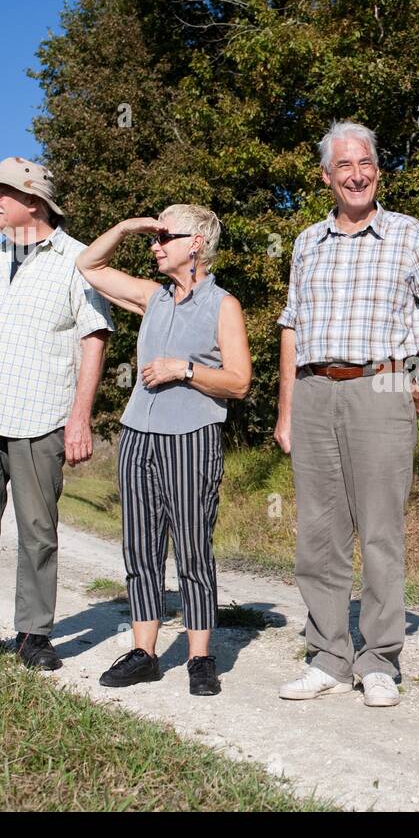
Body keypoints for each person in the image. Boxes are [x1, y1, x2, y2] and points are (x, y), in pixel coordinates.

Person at [274, 121, 419, 706]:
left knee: (381, 531)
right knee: (318, 534)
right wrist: (286, 410)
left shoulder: (407, 235)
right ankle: (328, 656)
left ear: (377, 171)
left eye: (365, 164)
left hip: (381, 389)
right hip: (313, 392)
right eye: (344, 167)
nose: (356, 175)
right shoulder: (306, 242)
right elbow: (291, 328)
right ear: (326, 178)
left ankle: (380, 659)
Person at [74, 204, 251, 696]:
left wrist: (186, 371)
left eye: (164, 236)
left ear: (196, 243)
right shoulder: (153, 298)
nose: (155, 245)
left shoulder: (223, 305)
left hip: (193, 436)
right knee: (141, 548)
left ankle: (199, 658)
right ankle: (145, 653)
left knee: (193, 550)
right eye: (152, 238)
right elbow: (88, 265)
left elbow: (239, 382)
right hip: (138, 436)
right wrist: (130, 226)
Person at [0, 157, 113, 670]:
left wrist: (80, 417)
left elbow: (94, 338)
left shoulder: (79, 259)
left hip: (41, 415)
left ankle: (33, 636)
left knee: (38, 530)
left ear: (34, 202)